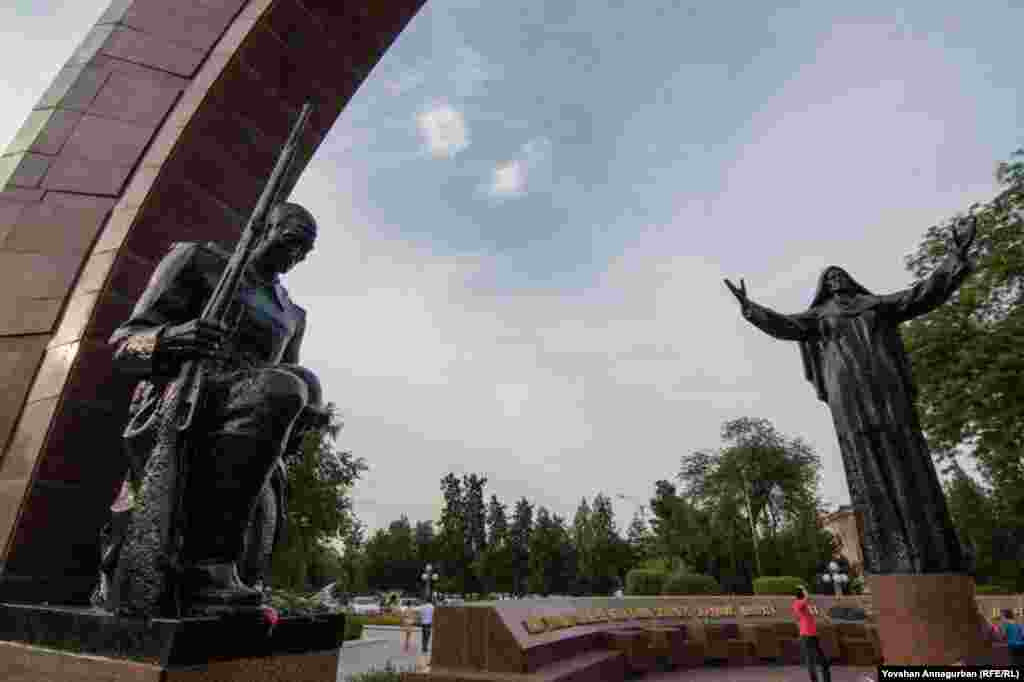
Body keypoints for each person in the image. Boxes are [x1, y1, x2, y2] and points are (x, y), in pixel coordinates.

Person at [97, 202, 330, 613]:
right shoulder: (198, 260)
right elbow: (123, 344)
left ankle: (232, 565)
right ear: (263, 227)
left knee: (297, 385)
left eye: (305, 252)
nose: (296, 257)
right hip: (187, 398)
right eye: (291, 242)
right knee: (280, 388)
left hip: (252, 405)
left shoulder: (292, 313)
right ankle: (208, 568)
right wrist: (173, 337)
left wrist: (312, 401)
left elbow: (286, 372)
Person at [725, 217, 977, 574]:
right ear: (824, 288)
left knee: (904, 449)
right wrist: (751, 308)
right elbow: (785, 325)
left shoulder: (875, 304)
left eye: (840, 274)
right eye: (829, 278)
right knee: (864, 455)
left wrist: (956, 254)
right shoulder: (819, 315)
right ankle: (890, 551)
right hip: (849, 392)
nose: (836, 279)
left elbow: (920, 294)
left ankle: (929, 546)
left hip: (885, 385)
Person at [793, 586, 831, 682]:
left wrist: (825, 618)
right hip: (806, 636)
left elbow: (812, 612)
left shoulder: (805, 605)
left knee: (824, 662)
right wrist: (804, 590)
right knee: (811, 663)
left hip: (813, 636)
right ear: (801, 594)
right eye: (804, 592)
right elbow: (806, 599)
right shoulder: (797, 604)